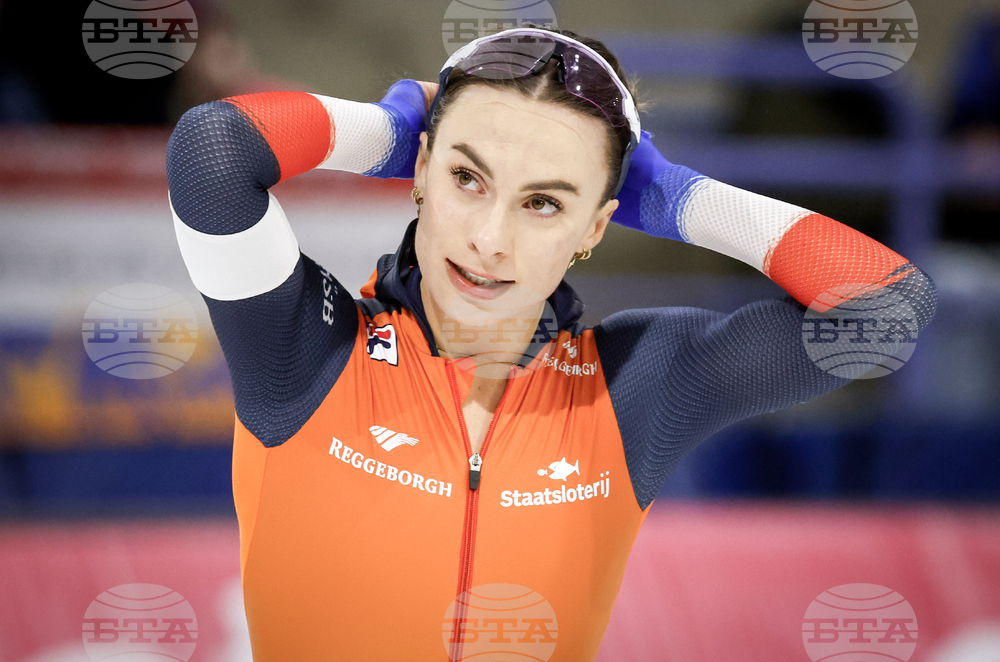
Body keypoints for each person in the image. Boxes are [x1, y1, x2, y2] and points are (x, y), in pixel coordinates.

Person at [165, 24, 937, 662]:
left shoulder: (633, 388)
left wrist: (675, 197)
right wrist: (392, 128)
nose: (489, 239)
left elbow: (889, 307)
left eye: (544, 203)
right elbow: (212, 152)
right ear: (421, 171)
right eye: (468, 179)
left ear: (595, 227)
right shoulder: (306, 349)